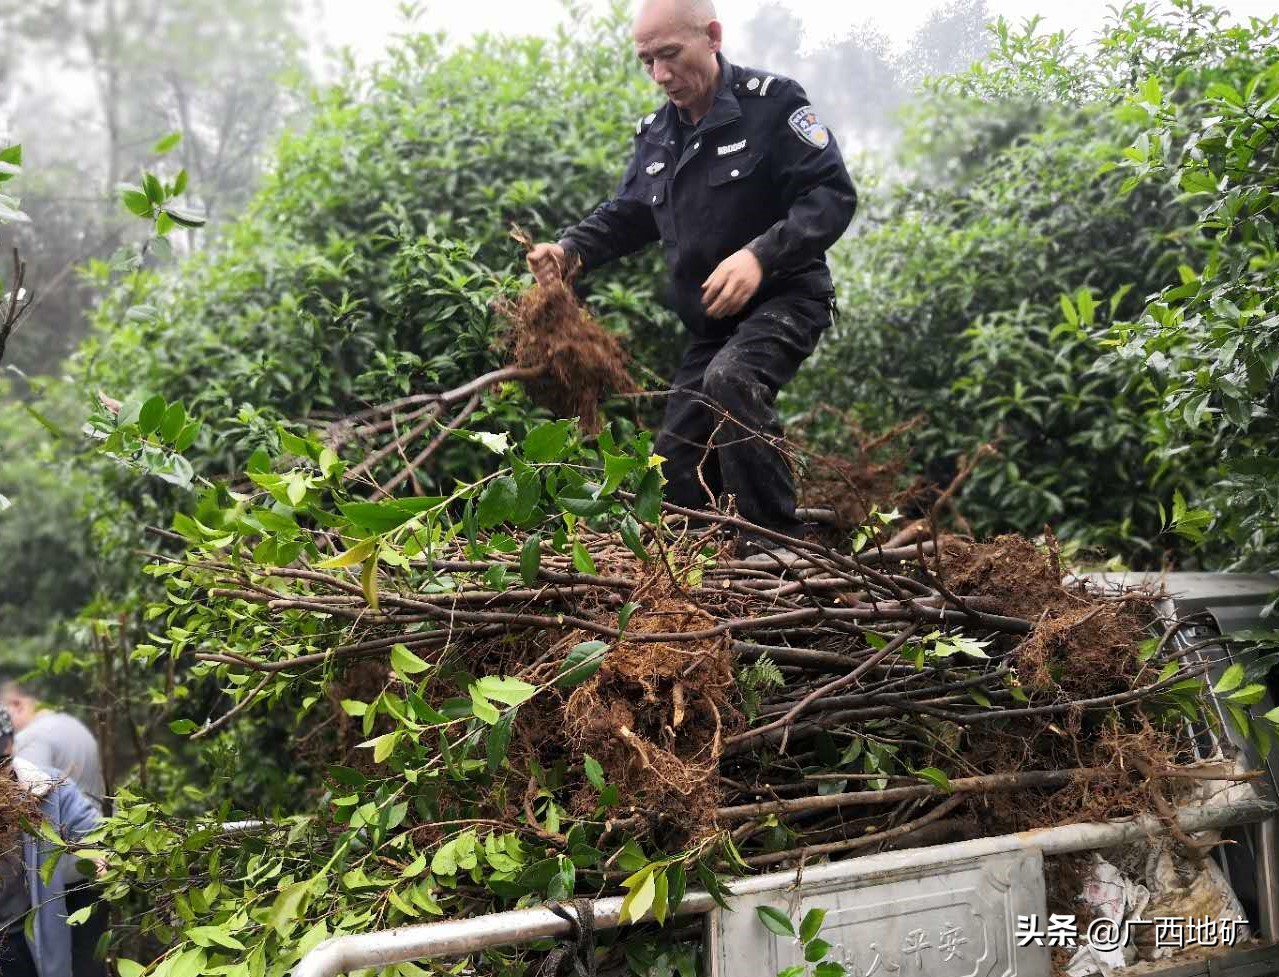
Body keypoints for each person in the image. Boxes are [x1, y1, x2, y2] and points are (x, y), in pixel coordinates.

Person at [527, 0, 856, 565]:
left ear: (712, 37)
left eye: (670, 55)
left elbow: (831, 198)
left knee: (731, 381)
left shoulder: (773, 105)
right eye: (647, 61)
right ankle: (691, 575)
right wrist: (570, 249)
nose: (660, 75)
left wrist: (759, 257)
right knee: (675, 467)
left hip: (786, 297)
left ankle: (775, 549)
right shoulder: (656, 135)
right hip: (711, 324)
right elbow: (630, 213)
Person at [0, 705, 103, 977]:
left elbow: (91, 831)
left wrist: (99, 854)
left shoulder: (48, 788)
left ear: (11, 744)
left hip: (23, 938)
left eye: (1, 761)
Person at [0, 680, 105, 813]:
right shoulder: (73, 723)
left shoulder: (31, 737)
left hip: (66, 827)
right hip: (98, 823)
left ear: (17, 705)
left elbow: (30, 800)